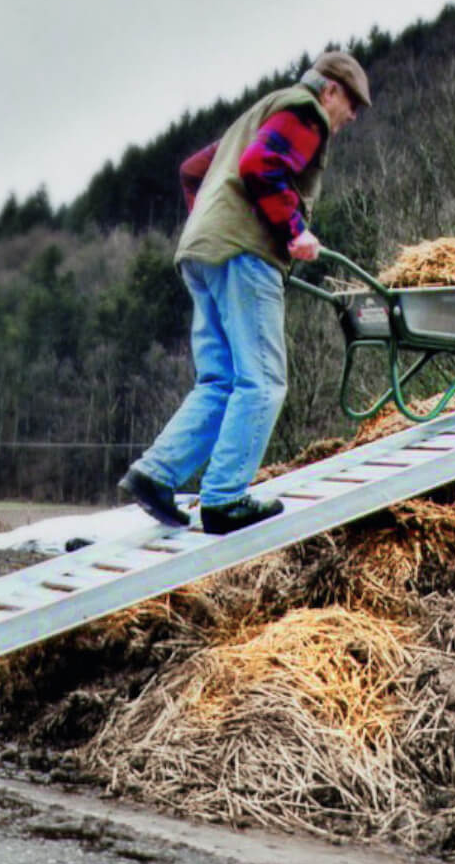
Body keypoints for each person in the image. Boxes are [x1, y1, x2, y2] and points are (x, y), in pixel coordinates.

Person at [119, 51, 370, 534]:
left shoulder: (259, 114)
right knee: (264, 381)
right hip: (243, 257)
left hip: (202, 252)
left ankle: (156, 474)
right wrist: (294, 229)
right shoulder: (305, 111)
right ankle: (225, 499)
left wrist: (216, 219)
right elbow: (264, 165)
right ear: (331, 90)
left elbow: (193, 171)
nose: (352, 117)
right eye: (353, 103)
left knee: (220, 380)